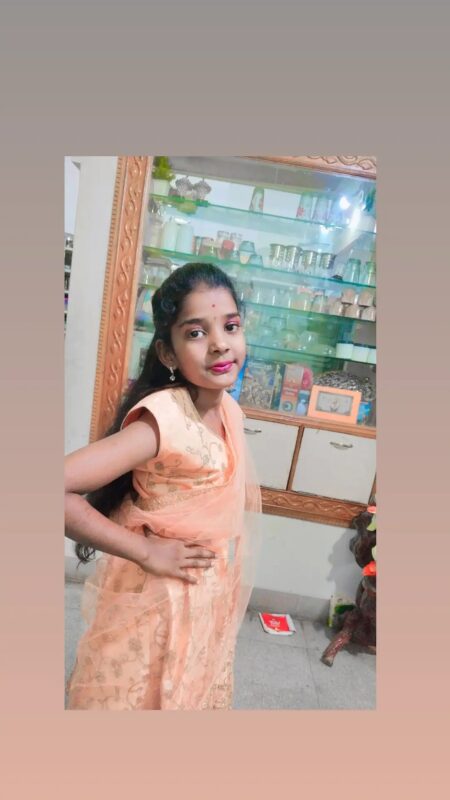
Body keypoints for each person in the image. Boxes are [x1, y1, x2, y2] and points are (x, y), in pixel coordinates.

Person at [65, 262, 261, 710]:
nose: (220, 344)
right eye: (196, 333)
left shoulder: (228, 409)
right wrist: (145, 551)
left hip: (204, 597)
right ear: (168, 353)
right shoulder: (164, 419)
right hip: (156, 602)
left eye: (231, 326)